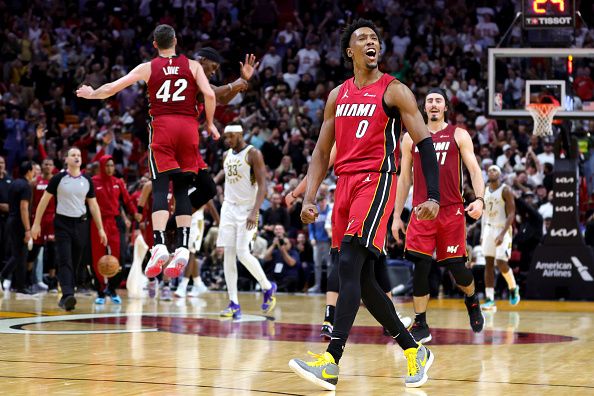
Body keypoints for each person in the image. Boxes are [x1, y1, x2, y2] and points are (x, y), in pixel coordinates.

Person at [289, 19, 440, 390]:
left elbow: (424, 143)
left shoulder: (395, 90)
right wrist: (309, 197)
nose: (371, 42)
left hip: (377, 181)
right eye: (363, 39)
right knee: (365, 281)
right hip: (344, 185)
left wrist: (432, 195)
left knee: (348, 264)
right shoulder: (337, 96)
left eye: (375, 38)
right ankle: (413, 349)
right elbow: (322, 152)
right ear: (350, 52)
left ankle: (332, 360)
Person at [76, 24, 218, 281]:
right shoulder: (193, 66)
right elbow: (209, 94)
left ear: (155, 44)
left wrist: (91, 94)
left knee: (161, 187)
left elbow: (112, 88)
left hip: (163, 127)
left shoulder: (148, 67)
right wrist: (209, 123)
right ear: (176, 40)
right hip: (188, 128)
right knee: (183, 189)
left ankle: (161, 244)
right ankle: (183, 248)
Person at [286, 144, 411, 339]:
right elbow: (323, 160)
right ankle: (389, 324)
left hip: (349, 197)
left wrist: (297, 193)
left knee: (347, 263)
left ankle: (330, 319)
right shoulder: (367, 127)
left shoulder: (346, 129)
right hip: (365, 195)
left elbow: (323, 162)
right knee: (373, 264)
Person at [392, 88, 485, 345]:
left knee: (456, 269)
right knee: (420, 266)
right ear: (424, 108)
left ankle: (471, 298)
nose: (433, 104)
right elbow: (404, 179)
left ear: (445, 107)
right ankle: (420, 321)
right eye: (430, 101)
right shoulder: (411, 138)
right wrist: (397, 215)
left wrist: (479, 200)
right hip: (422, 211)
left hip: (452, 209)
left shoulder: (458, 134)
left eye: (438, 101)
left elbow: (475, 170)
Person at [32, 148, 107, 311]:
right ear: (66, 159)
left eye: (79, 155)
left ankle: (67, 292)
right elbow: (44, 201)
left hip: (81, 224)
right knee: (65, 259)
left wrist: (100, 229)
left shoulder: (87, 179)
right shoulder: (58, 178)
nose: (77, 157)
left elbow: (93, 205)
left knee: (76, 260)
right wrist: (36, 223)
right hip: (62, 224)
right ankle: (67, 295)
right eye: (73, 155)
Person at [215, 123, 277, 319]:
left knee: (243, 253)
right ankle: (233, 302)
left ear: (240, 135)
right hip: (229, 207)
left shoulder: (253, 154)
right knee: (228, 254)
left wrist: (255, 211)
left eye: (230, 137)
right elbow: (220, 178)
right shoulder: (226, 155)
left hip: (248, 209)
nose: (227, 141)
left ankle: (267, 287)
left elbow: (263, 185)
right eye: (226, 138)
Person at [91, 155, 137, 305]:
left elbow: (127, 200)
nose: (110, 168)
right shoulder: (93, 182)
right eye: (107, 166)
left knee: (120, 257)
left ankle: (112, 288)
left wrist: (135, 213)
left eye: (112, 165)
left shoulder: (118, 182)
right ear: (102, 166)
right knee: (98, 257)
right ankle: (100, 290)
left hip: (115, 223)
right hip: (98, 222)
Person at [481, 164, 519, 310]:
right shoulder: (485, 190)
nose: (491, 171)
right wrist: (483, 233)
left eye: (494, 169)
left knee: (501, 263)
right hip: (489, 229)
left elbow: (511, 213)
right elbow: (484, 214)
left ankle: (513, 288)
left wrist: (503, 234)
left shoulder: (505, 190)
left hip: (503, 229)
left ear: (500, 174)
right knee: (488, 264)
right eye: (489, 169)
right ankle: (490, 298)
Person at [0, 161, 35, 294]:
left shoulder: (14, 183)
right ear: (29, 171)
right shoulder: (26, 186)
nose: (34, 173)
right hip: (19, 223)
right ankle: (5, 276)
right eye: (33, 171)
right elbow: (24, 207)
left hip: (11, 220)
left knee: (18, 254)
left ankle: (18, 285)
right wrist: (27, 229)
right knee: (20, 255)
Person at [30, 157, 58, 293]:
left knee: (52, 250)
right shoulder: (35, 182)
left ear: (53, 167)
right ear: (42, 166)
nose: (47, 166)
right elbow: (30, 202)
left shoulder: (57, 181)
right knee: (34, 250)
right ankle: (29, 281)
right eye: (45, 164)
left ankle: (52, 283)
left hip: (52, 219)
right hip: (38, 219)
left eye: (50, 164)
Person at [264, 224, 300, 291]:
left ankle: (277, 288)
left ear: (290, 244)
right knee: (266, 278)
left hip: (287, 277)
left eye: (286, 244)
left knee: (291, 280)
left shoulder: (294, 252)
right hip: (275, 277)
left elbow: (291, 263)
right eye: (283, 244)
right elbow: (265, 257)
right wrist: (274, 244)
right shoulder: (276, 251)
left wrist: (283, 250)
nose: (283, 245)